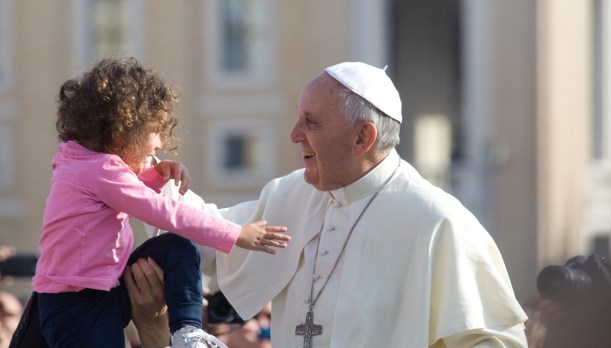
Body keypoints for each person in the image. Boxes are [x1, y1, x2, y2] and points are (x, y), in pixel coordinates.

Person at [134, 62, 529, 347]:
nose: (293, 135)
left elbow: (492, 342)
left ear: (362, 137)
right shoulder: (290, 195)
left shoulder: (438, 222)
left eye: (311, 122)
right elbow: (208, 234)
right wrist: (146, 175)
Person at [31, 57, 290, 348]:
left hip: (102, 288)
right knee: (179, 231)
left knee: (177, 245)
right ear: (123, 130)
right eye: (154, 131)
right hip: (76, 307)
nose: (158, 144)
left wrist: (154, 177)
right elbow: (164, 212)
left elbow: (117, 197)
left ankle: (187, 332)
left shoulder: (83, 163)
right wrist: (236, 233)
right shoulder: (100, 170)